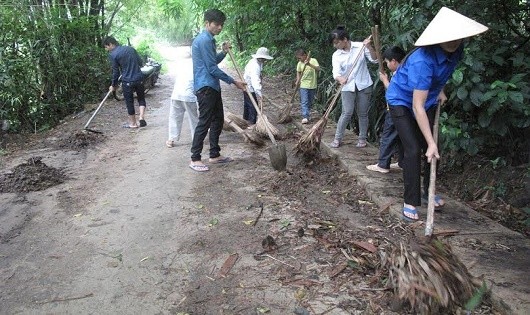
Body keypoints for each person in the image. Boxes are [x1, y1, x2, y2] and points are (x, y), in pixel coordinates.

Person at [386, 7, 488, 221]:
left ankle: (428, 192)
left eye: (458, 38)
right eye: (449, 38)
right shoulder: (422, 60)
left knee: (434, 150)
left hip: (426, 98)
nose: (454, 42)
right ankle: (410, 201)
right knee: (414, 150)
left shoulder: (457, 50)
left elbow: (441, 75)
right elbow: (417, 106)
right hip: (402, 101)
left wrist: (439, 90)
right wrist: (429, 141)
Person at [189, 9, 246, 172]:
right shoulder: (204, 40)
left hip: (211, 86)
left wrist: (224, 52)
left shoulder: (208, 39)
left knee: (218, 120)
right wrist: (233, 81)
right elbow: (212, 68)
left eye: (221, 25)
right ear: (207, 24)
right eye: (216, 24)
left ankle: (214, 154)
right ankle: (195, 158)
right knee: (205, 122)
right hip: (205, 87)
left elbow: (213, 60)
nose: (219, 27)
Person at [329, 26, 378, 148]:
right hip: (347, 86)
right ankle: (337, 138)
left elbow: (375, 60)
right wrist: (341, 78)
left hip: (364, 84)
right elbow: (336, 73)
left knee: (362, 113)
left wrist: (369, 47)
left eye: (337, 42)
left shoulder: (361, 46)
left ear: (344, 39)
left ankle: (362, 138)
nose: (335, 45)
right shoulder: (336, 55)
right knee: (347, 112)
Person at [366, 46, 406, 173]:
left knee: (388, 136)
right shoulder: (405, 71)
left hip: (395, 110)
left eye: (387, 62)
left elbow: (394, 92)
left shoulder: (400, 74)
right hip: (404, 111)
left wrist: (384, 80)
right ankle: (402, 162)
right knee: (401, 137)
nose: (387, 64)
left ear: (393, 61)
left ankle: (383, 164)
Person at [103, 36, 147, 129]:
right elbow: (140, 62)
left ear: (111, 44)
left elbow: (116, 72)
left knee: (129, 102)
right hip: (139, 78)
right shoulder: (131, 49)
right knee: (141, 98)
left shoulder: (113, 54)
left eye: (106, 47)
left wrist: (113, 85)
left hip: (127, 81)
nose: (106, 49)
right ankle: (141, 117)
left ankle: (133, 124)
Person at [166, 51, 198, 148]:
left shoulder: (179, 65)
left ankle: (171, 139)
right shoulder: (195, 64)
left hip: (176, 94)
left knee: (175, 117)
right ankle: (196, 139)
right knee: (193, 118)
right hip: (189, 95)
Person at [243, 47, 274, 126]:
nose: (265, 60)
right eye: (264, 59)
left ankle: (245, 121)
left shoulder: (258, 63)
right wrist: (260, 93)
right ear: (261, 58)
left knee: (248, 104)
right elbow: (255, 81)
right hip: (249, 86)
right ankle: (251, 124)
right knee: (253, 106)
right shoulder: (255, 66)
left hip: (247, 86)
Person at [295, 49, 320, 124]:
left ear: (305, 56)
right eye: (298, 58)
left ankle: (307, 114)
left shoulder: (313, 60)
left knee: (310, 101)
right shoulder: (299, 63)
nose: (299, 59)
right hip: (303, 85)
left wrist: (309, 64)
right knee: (304, 101)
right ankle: (305, 116)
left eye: (300, 58)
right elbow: (298, 72)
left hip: (312, 85)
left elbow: (318, 69)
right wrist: (298, 80)